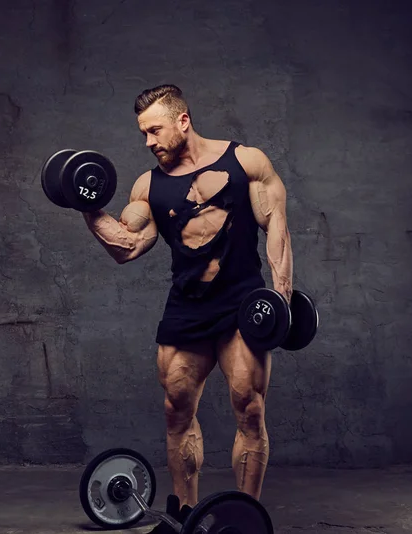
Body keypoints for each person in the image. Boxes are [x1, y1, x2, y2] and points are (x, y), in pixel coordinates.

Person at [82, 85, 293, 528]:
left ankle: (242, 519)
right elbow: (126, 246)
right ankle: (182, 515)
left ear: (182, 121)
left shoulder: (246, 162)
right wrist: (86, 204)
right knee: (177, 411)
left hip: (242, 307)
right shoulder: (149, 186)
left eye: (154, 130)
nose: (148, 142)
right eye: (143, 133)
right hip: (186, 309)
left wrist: (281, 300)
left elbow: (277, 228)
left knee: (249, 409)